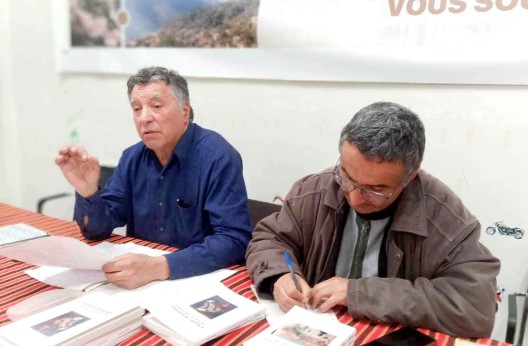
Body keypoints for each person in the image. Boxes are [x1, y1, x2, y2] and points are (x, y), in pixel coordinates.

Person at [245, 101, 500, 337]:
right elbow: (270, 238)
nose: (355, 198)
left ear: (410, 178)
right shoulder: (314, 190)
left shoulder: (444, 219)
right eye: (346, 177)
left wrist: (359, 293)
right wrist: (279, 275)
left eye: (376, 190)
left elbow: (475, 306)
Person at [55, 66, 252, 289]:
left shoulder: (218, 157)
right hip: (140, 282)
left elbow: (234, 240)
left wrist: (159, 267)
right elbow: (97, 230)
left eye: (156, 106)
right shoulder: (132, 157)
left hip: (196, 280)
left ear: (185, 112)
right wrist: (88, 191)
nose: (144, 118)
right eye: (137, 109)